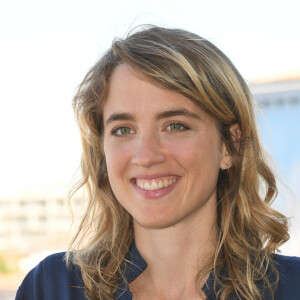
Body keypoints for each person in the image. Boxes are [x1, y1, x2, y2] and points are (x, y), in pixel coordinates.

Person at [16, 25, 300, 300]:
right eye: (123, 130)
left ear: (230, 145)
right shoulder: (53, 288)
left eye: (175, 126)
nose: (146, 155)